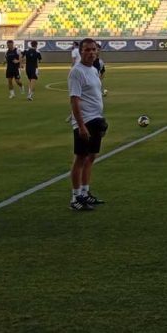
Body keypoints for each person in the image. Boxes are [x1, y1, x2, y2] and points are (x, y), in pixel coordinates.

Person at [69, 38, 108, 211]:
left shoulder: (93, 69)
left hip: (95, 119)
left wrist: (101, 121)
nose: (91, 52)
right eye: (87, 50)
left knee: (91, 157)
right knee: (80, 158)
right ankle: (75, 197)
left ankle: (85, 193)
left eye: (93, 49)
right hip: (85, 121)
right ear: (80, 51)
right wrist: (81, 125)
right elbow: (74, 100)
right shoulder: (76, 72)